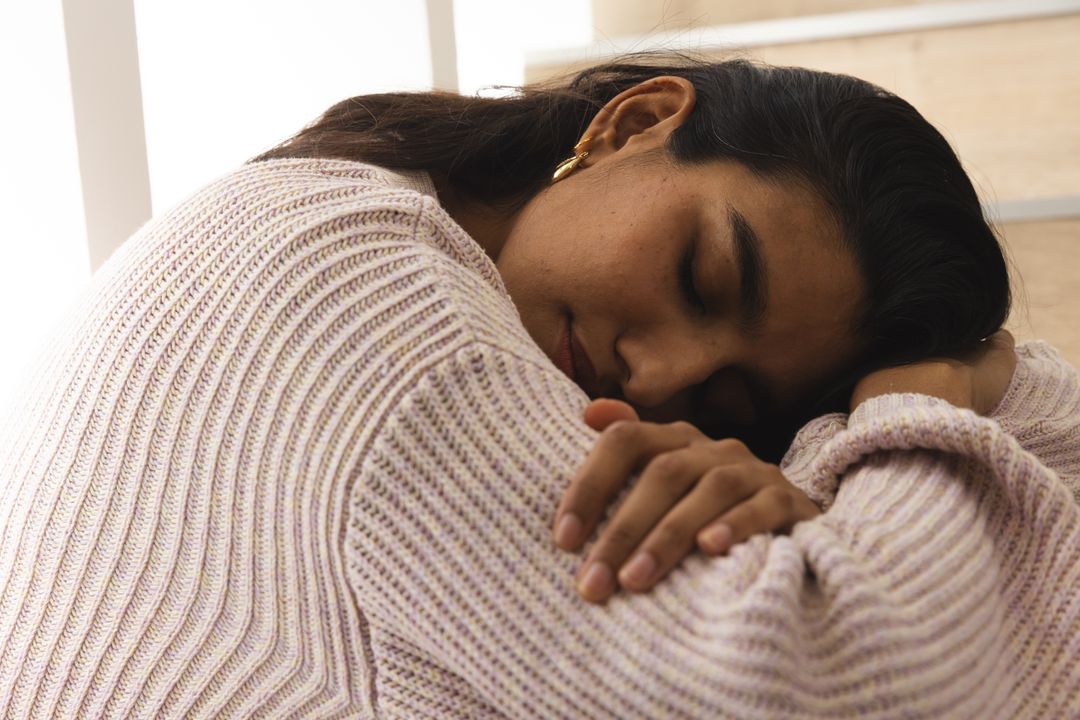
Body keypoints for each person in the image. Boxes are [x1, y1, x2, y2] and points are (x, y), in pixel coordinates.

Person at [0, 54, 1076, 718]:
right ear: (631, 124)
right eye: (700, 277)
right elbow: (824, 686)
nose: (659, 380)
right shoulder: (355, 278)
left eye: (733, 405)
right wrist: (927, 397)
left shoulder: (330, 218)